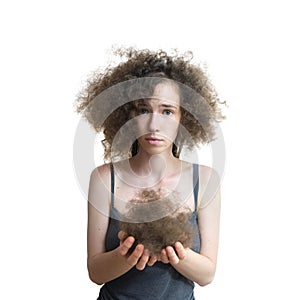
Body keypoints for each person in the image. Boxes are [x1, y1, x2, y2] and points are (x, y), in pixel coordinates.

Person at [76, 47, 225, 300]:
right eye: (143, 110)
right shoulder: (104, 179)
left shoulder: (206, 180)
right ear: (127, 116)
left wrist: (172, 249)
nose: (154, 125)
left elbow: (206, 275)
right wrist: (130, 253)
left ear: (183, 118)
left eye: (167, 111)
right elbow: (96, 272)